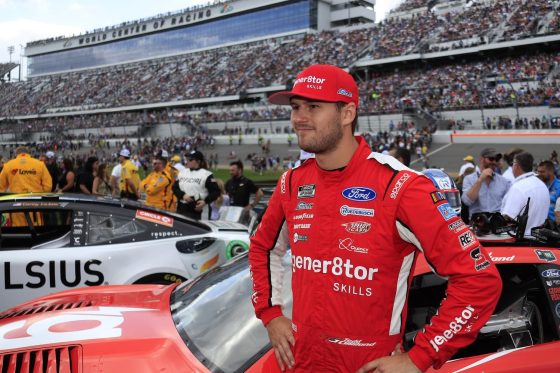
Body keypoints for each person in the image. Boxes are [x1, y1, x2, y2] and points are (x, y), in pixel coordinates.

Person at [249, 64, 501, 373]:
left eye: (313, 107)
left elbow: (479, 279)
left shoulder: (401, 187)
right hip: (299, 361)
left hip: (366, 365)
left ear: (347, 113)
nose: (299, 118)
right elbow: (262, 247)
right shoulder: (292, 182)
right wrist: (270, 313)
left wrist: (419, 357)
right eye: (296, 107)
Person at [501, 152, 549, 236]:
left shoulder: (518, 187)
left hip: (520, 243)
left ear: (516, 166)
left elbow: (507, 220)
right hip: (540, 240)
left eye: (513, 164)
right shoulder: (542, 185)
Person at [461, 148, 511, 221]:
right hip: (477, 223)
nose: (494, 162)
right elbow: (467, 201)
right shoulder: (469, 179)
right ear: (481, 159)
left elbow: (508, 205)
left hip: (497, 223)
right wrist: (480, 180)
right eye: (491, 159)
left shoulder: (504, 181)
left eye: (496, 159)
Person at [172, 150, 220, 220]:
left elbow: (216, 192)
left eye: (190, 159)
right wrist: (183, 195)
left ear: (198, 161)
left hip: (198, 211)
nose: (187, 161)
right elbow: (174, 187)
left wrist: (205, 201)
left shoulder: (207, 175)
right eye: (187, 159)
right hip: (181, 209)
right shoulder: (182, 173)